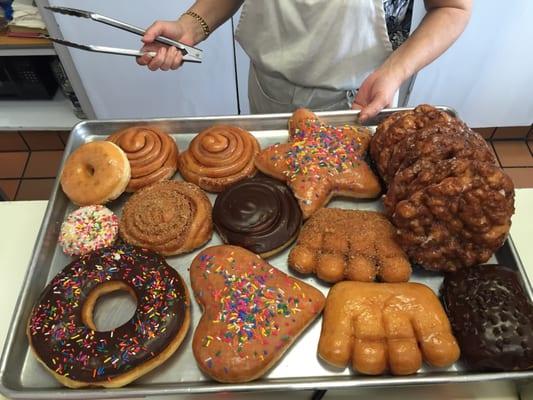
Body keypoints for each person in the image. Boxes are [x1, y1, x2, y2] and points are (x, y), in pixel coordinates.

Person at [137, 0, 471, 122]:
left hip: (360, 100)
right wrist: (191, 25)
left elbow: (453, 8)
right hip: (268, 93)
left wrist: (394, 72)